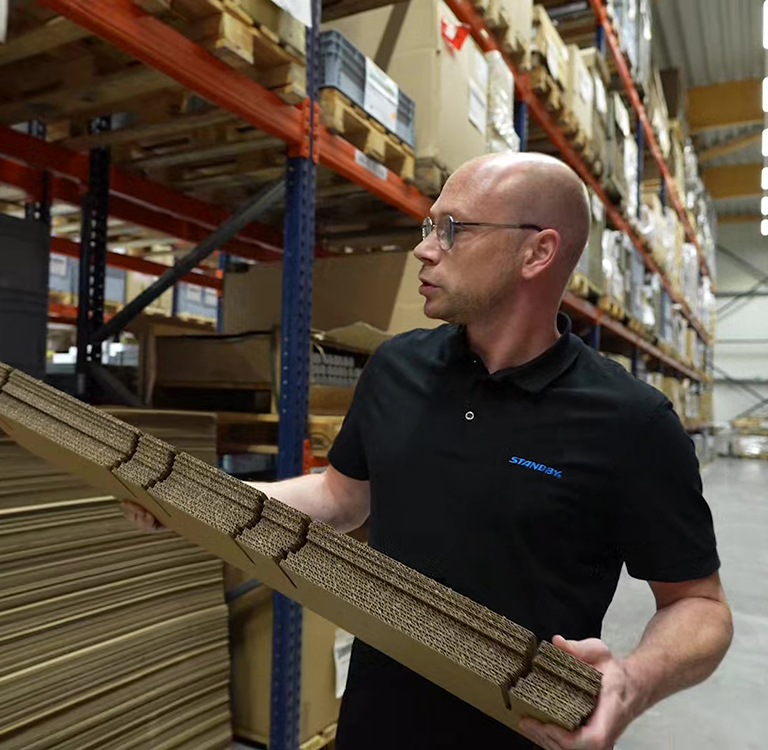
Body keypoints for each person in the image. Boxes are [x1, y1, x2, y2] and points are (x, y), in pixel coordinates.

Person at [122, 153, 732, 749]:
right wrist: (200, 498)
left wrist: (634, 681)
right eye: (428, 225)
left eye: (453, 229)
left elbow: (699, 606)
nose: (424, 247)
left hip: (523, 732)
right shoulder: (397, 367)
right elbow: (341, 496)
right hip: (372, 721)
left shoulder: (631, 421)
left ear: (537, 252)